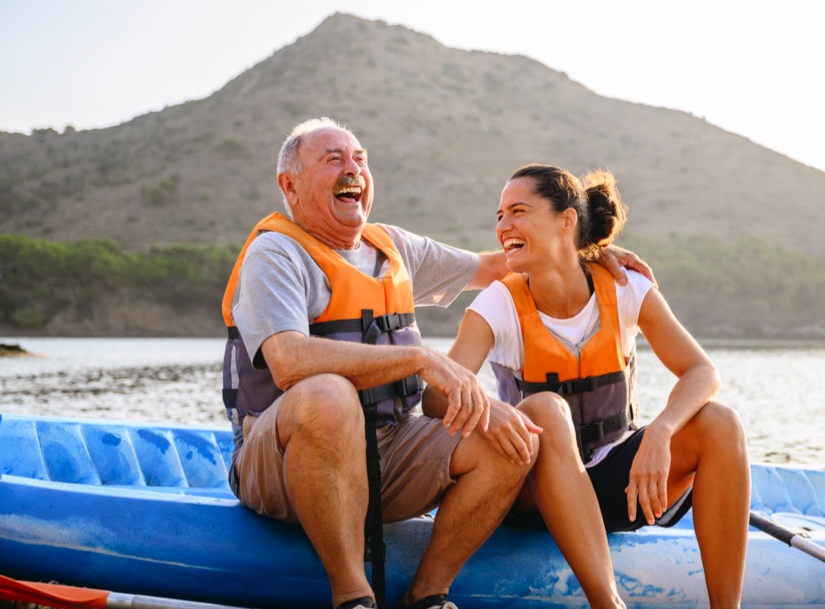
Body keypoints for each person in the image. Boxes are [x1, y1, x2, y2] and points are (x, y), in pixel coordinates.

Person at [220, 119, 650, 609]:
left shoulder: (394, 248)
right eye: (333, 159)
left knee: (510, 439)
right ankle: (352, 596)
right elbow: (289, 362)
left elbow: (499, 266)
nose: (352, 168)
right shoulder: (274, 254)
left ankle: (427, 593)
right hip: (280, 460)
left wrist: (578, 251)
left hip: (387, 451)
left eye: (359, 158)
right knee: (328, 394)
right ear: (289, 185)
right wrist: (419, 359)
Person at [447, 164, 751, 608]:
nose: (502, 226)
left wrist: (661, 431)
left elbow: (702, 372)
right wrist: (490, 412)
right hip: (531, 495)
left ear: (566, 220)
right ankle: (607, 603)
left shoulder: (625, 285)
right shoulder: (498, 303)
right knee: (547, 408)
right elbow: (438, 396)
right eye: (499, 215)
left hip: (617, 487)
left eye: (517, 211)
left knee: (721, 423)